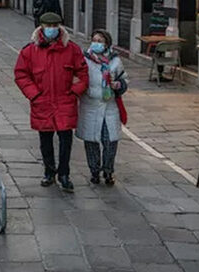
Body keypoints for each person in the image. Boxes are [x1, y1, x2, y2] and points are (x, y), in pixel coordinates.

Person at [14, 12, 88, 192]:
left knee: (65, 140)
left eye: (55, 27)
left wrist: (74, 92)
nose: (52, 30)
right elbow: (21, 75)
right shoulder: (30, 51)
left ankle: (64, 173)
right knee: (45, 140)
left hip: (64, 101)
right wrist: (34, 95)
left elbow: (83, 75)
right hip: (43, 102)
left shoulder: (72, 49)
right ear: (41, 28)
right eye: (48, 27)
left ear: (60, 28)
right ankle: (49, 171)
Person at [77, 30, 128, 186]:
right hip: (90, 105)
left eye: (100, 41)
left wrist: (118, 85)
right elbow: (78, 78)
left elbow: (124, 80)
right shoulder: (84, 60)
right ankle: (94, 171)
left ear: (107, 43)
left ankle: (108, 171)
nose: (96, 43)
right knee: (91, 141)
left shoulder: (115, 61)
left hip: (109, 106)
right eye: (94, 40)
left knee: (110, 141)